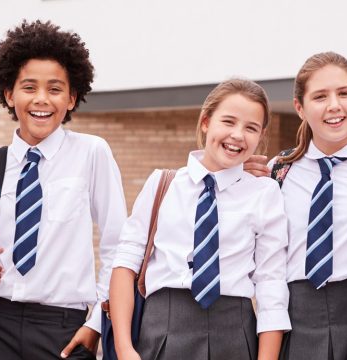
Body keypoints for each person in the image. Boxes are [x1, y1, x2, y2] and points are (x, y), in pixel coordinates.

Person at [0, 20, 127, 359]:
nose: (41, 99)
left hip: (63, 328)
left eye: (55, 89)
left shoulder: (91, 153)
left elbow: (120, 244)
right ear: (9, 93)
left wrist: (97, 319)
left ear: (71, 98)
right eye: (29, 87)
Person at [109, 78, 291, 360]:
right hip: (162, 331)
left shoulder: (264, 193)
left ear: (261, 135)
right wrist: (124, 349)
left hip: (234, 333)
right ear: (206, 121)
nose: (238, 135)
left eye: (251, 128)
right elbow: (124, 264)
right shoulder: (162, 183)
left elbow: (271, 282)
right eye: (228, 122)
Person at [245, 52, 347, 360]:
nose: (334, 106)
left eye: (343, 93)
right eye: (320, 96)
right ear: (300, 107)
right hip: (293, 321)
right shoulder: (277, 172)